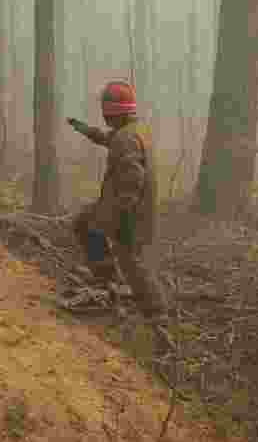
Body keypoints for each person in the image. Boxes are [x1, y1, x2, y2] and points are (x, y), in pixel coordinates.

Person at [67, 81, 174, 352]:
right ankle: (107, 281)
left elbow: (133, 175)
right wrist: (87, 131)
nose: (103, 116)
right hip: (119, 207)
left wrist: (124, 214)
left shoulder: (126, 138)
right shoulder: (133, 131)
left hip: (128, 212)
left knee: (132, 262)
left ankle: (158, 315)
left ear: (112, 112)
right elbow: (110, 139)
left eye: (105, 111)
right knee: (84, 224)